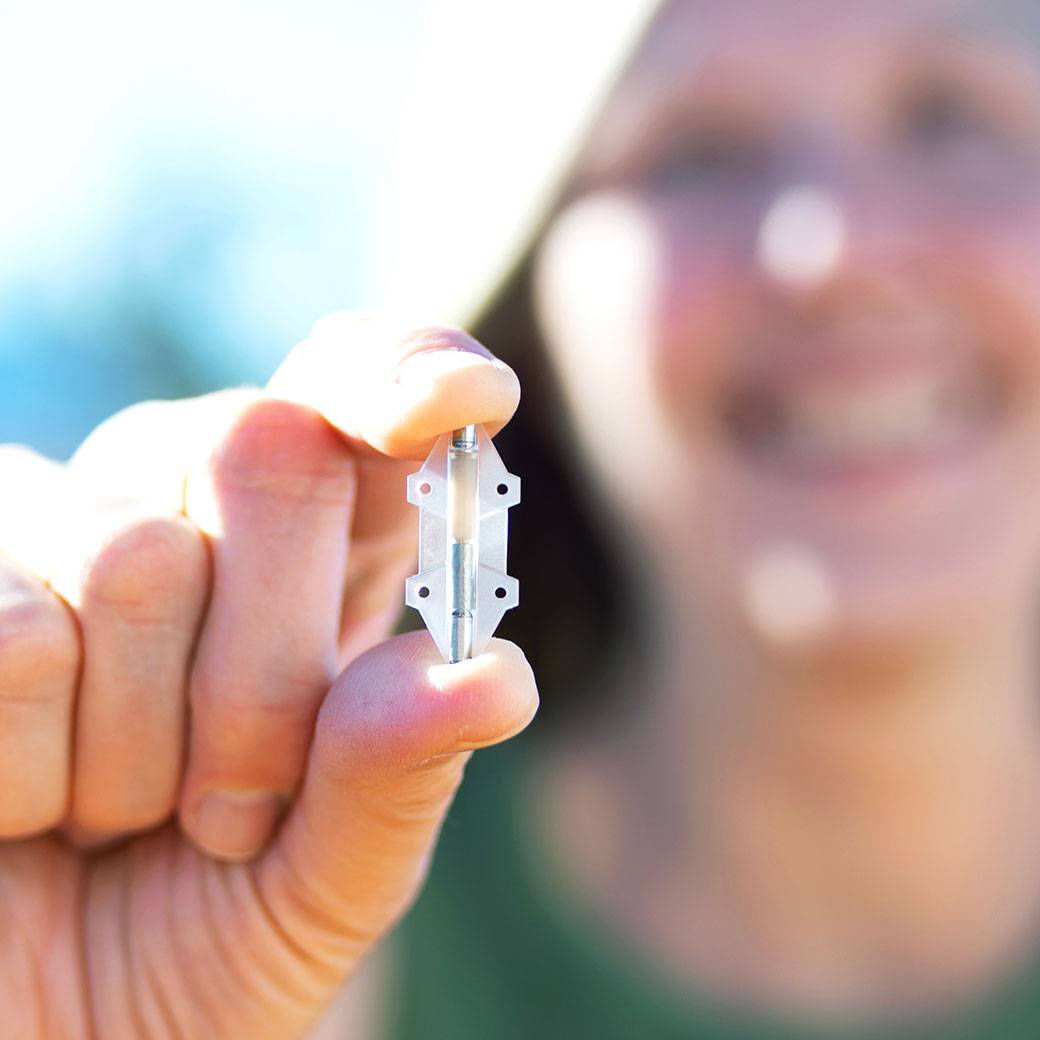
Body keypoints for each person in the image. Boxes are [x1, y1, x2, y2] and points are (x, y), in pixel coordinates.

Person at [5, 0, 1040, 1037]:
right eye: (694, 152)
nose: (836, 248)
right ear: (527, 315)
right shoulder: (291, 891)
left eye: (949, 117)